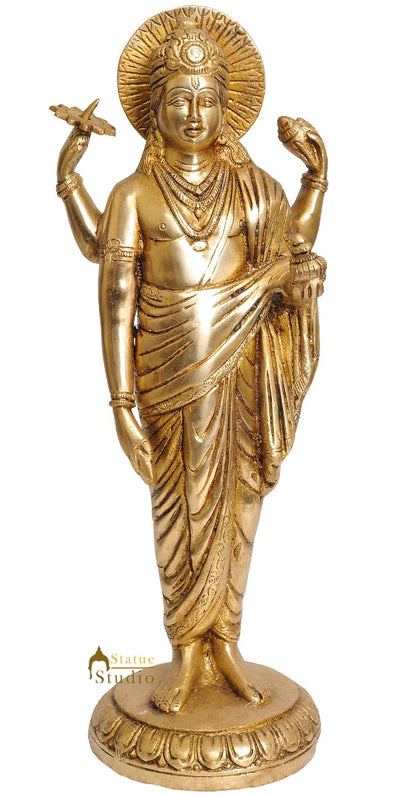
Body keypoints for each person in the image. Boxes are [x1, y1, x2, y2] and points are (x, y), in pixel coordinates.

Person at [55, 13, 327, 713]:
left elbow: (290, 248)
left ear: (226, 107)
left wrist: (316, 179)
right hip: (166, 372)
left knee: (240, 500)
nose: (195, 113)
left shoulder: (253, 185)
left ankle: (225, 641)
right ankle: (184, 650)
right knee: (177, 507)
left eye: (208, 98)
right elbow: (115, 295)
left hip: (242, 367)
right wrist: (121, 406)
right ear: (155, 109)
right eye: (180, 98)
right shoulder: (133, 195)